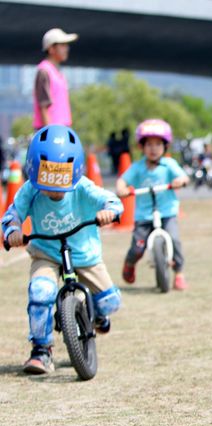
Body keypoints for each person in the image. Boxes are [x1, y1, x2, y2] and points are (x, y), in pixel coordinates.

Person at [1, 125, 123, 374]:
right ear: (34, 171)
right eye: (47, 183)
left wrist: (109, 210)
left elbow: (111, 200)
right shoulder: (30, 190)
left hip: (84, 254)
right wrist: (13, 231)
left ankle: (97, 316)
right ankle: (41, 351)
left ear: (74, 171)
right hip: (46, 252)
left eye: (60, 182)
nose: (54, 191)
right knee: (40, 292)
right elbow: (12, 214)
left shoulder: (83, 187)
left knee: (110, 301)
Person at [116, 119, 190, 290]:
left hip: (166, 211)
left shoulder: (169, 165)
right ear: (142, 147)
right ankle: (129, 263)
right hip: (144, 214)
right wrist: (122, 189)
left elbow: (184, 177)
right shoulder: (137, 167)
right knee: (137, 247)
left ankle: (179, 273)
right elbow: (123, 180)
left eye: (158, 144)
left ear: (165, 146)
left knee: (174, 239)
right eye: (149, 144)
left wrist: (180, 181)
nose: (153, 148)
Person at [33, 28, 77, 130]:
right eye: (62, 45)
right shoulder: (44, 71)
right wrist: (50, 135)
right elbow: (43, 106)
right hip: (52, 132)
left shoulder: (57, 72)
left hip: (62, 129)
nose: (66, 48)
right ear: (51, 49)